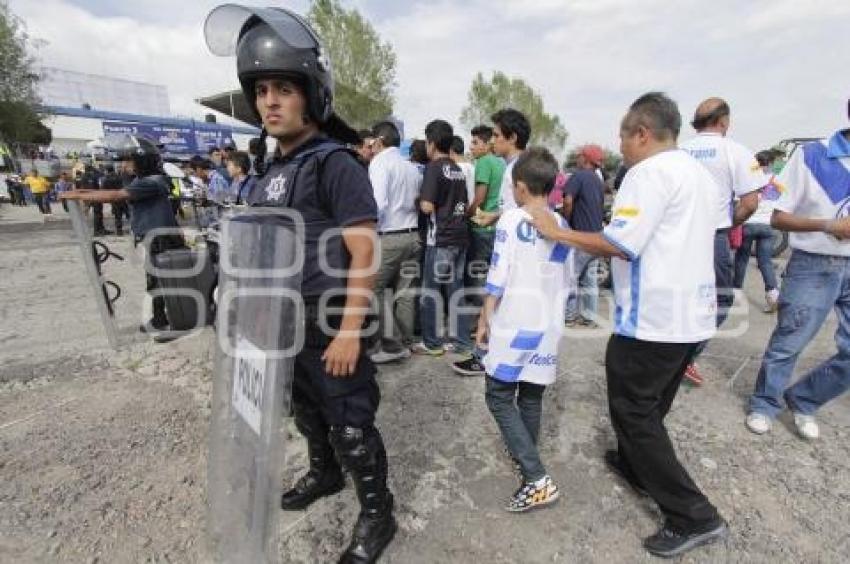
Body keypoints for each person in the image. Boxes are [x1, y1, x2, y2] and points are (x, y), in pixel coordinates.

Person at [205, 6, 396, 562]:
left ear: (310, 94)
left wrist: (349, 332)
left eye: (283, 88)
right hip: (277, 324)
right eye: (262, 89)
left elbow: (364, 253)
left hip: (329, 319)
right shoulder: (264, 174)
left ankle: (379, 515)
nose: (270, 100)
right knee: (306, 413)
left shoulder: (334, 163)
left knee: (352, 426)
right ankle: (324, 474)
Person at [529, 92, 728, 558]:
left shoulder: (648, 173)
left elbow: (621, 243)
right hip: (691, 316)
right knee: (653, 405)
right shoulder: (698, 174)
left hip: (653, 320)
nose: (621, 146)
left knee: (634, 413)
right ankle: (637, 467)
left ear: (641, 133)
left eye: (623, 135)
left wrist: (557, 232)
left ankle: (693, 515)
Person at [745, 108, 850, 441]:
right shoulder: (812, 155)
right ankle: (764, 403)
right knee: (789, 342)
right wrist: (829, 225)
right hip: (815, 263)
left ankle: (804, 399)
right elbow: (778, 217)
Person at [477, 146, 570, 512]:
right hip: (548, 324)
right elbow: (567, 279)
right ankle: (525, 455)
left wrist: (484, 317)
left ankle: (535, 477)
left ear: (519, 186)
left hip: (515, 322)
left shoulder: (512, 220)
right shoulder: (561, 224)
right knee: (530, 395)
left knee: (498, 394)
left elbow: (499, 274)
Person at [61, 134, 185, 339]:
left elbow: (116, 196)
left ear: (143, 162)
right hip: (155, 237)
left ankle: (171, 321)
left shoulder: (152, 182)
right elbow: (119, 190)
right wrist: (82, 191)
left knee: (163, 282)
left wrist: (78, 195)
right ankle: (161, 318)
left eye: (130, 161)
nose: (125, 165)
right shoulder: (144, 180)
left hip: (161, 239)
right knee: (156, 281)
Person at [679, 97, 764, 385]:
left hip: (676, 236)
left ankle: (667, 353)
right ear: (724, 121)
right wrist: (729, 224)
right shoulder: (736, 152)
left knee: (677, 296)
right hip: (711, 236)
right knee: (720, 299)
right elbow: (750, 203)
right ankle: (684, 357)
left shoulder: (677, 151)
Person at [414, 119, 472, 356]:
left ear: (432, 143)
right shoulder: (457, 168)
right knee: (455, 291)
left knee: (430, 291)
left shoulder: (434, 168)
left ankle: (431, 343)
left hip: (440, 239)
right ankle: (462, 342)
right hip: (460, 236)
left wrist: (416, 201)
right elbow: (464, 203)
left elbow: (427, 207)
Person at [451, 125, 505, 376]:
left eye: (474, 143)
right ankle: (488, 323)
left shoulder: (484, 162)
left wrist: (467, 214)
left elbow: (480, 196)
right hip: (496, 227)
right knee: (491, 278)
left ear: (486, 144)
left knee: (479, 278)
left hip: (482, 226)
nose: (471, 148)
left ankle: (482, 326)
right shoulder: (502, 163)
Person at [367, 120, 422, 364]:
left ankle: (391, 344)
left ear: (379, 140)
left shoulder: (380, 163)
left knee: (372, 288)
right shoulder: (411, 167)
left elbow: (378, 204)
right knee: (406, 293)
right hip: (412, 236)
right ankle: (406, 341)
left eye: (371, 141)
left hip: (389, 236)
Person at [562, 144, 606, 327]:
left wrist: (565, 221)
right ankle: (590, 317)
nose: (577, 158)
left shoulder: (577, 176)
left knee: (571, 277)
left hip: (580, 236)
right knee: (589, 280)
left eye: (580, 155)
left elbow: (568, 200)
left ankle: (569, 316)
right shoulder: (598, 180)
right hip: (597, 237)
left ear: (586, 159)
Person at [733, 150, 782, 312]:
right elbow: (783, 197)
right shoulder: (776, 180)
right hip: (768, 225)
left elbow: (738, 199)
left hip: (749, 222)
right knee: (765, 262)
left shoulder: (749, 177)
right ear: (770, 163)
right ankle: (773, 294)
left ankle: (735, 292)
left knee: (741, 259)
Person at [101, 165, 129, 235]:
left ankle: (119, 231)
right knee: (128, 214)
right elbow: (124, 185)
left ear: (107, 171)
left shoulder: (106, 179)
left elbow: (104, 189)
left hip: (114, 199)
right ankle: (133, 228)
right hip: (122, 197)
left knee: (118, 216)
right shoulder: (119, 176)